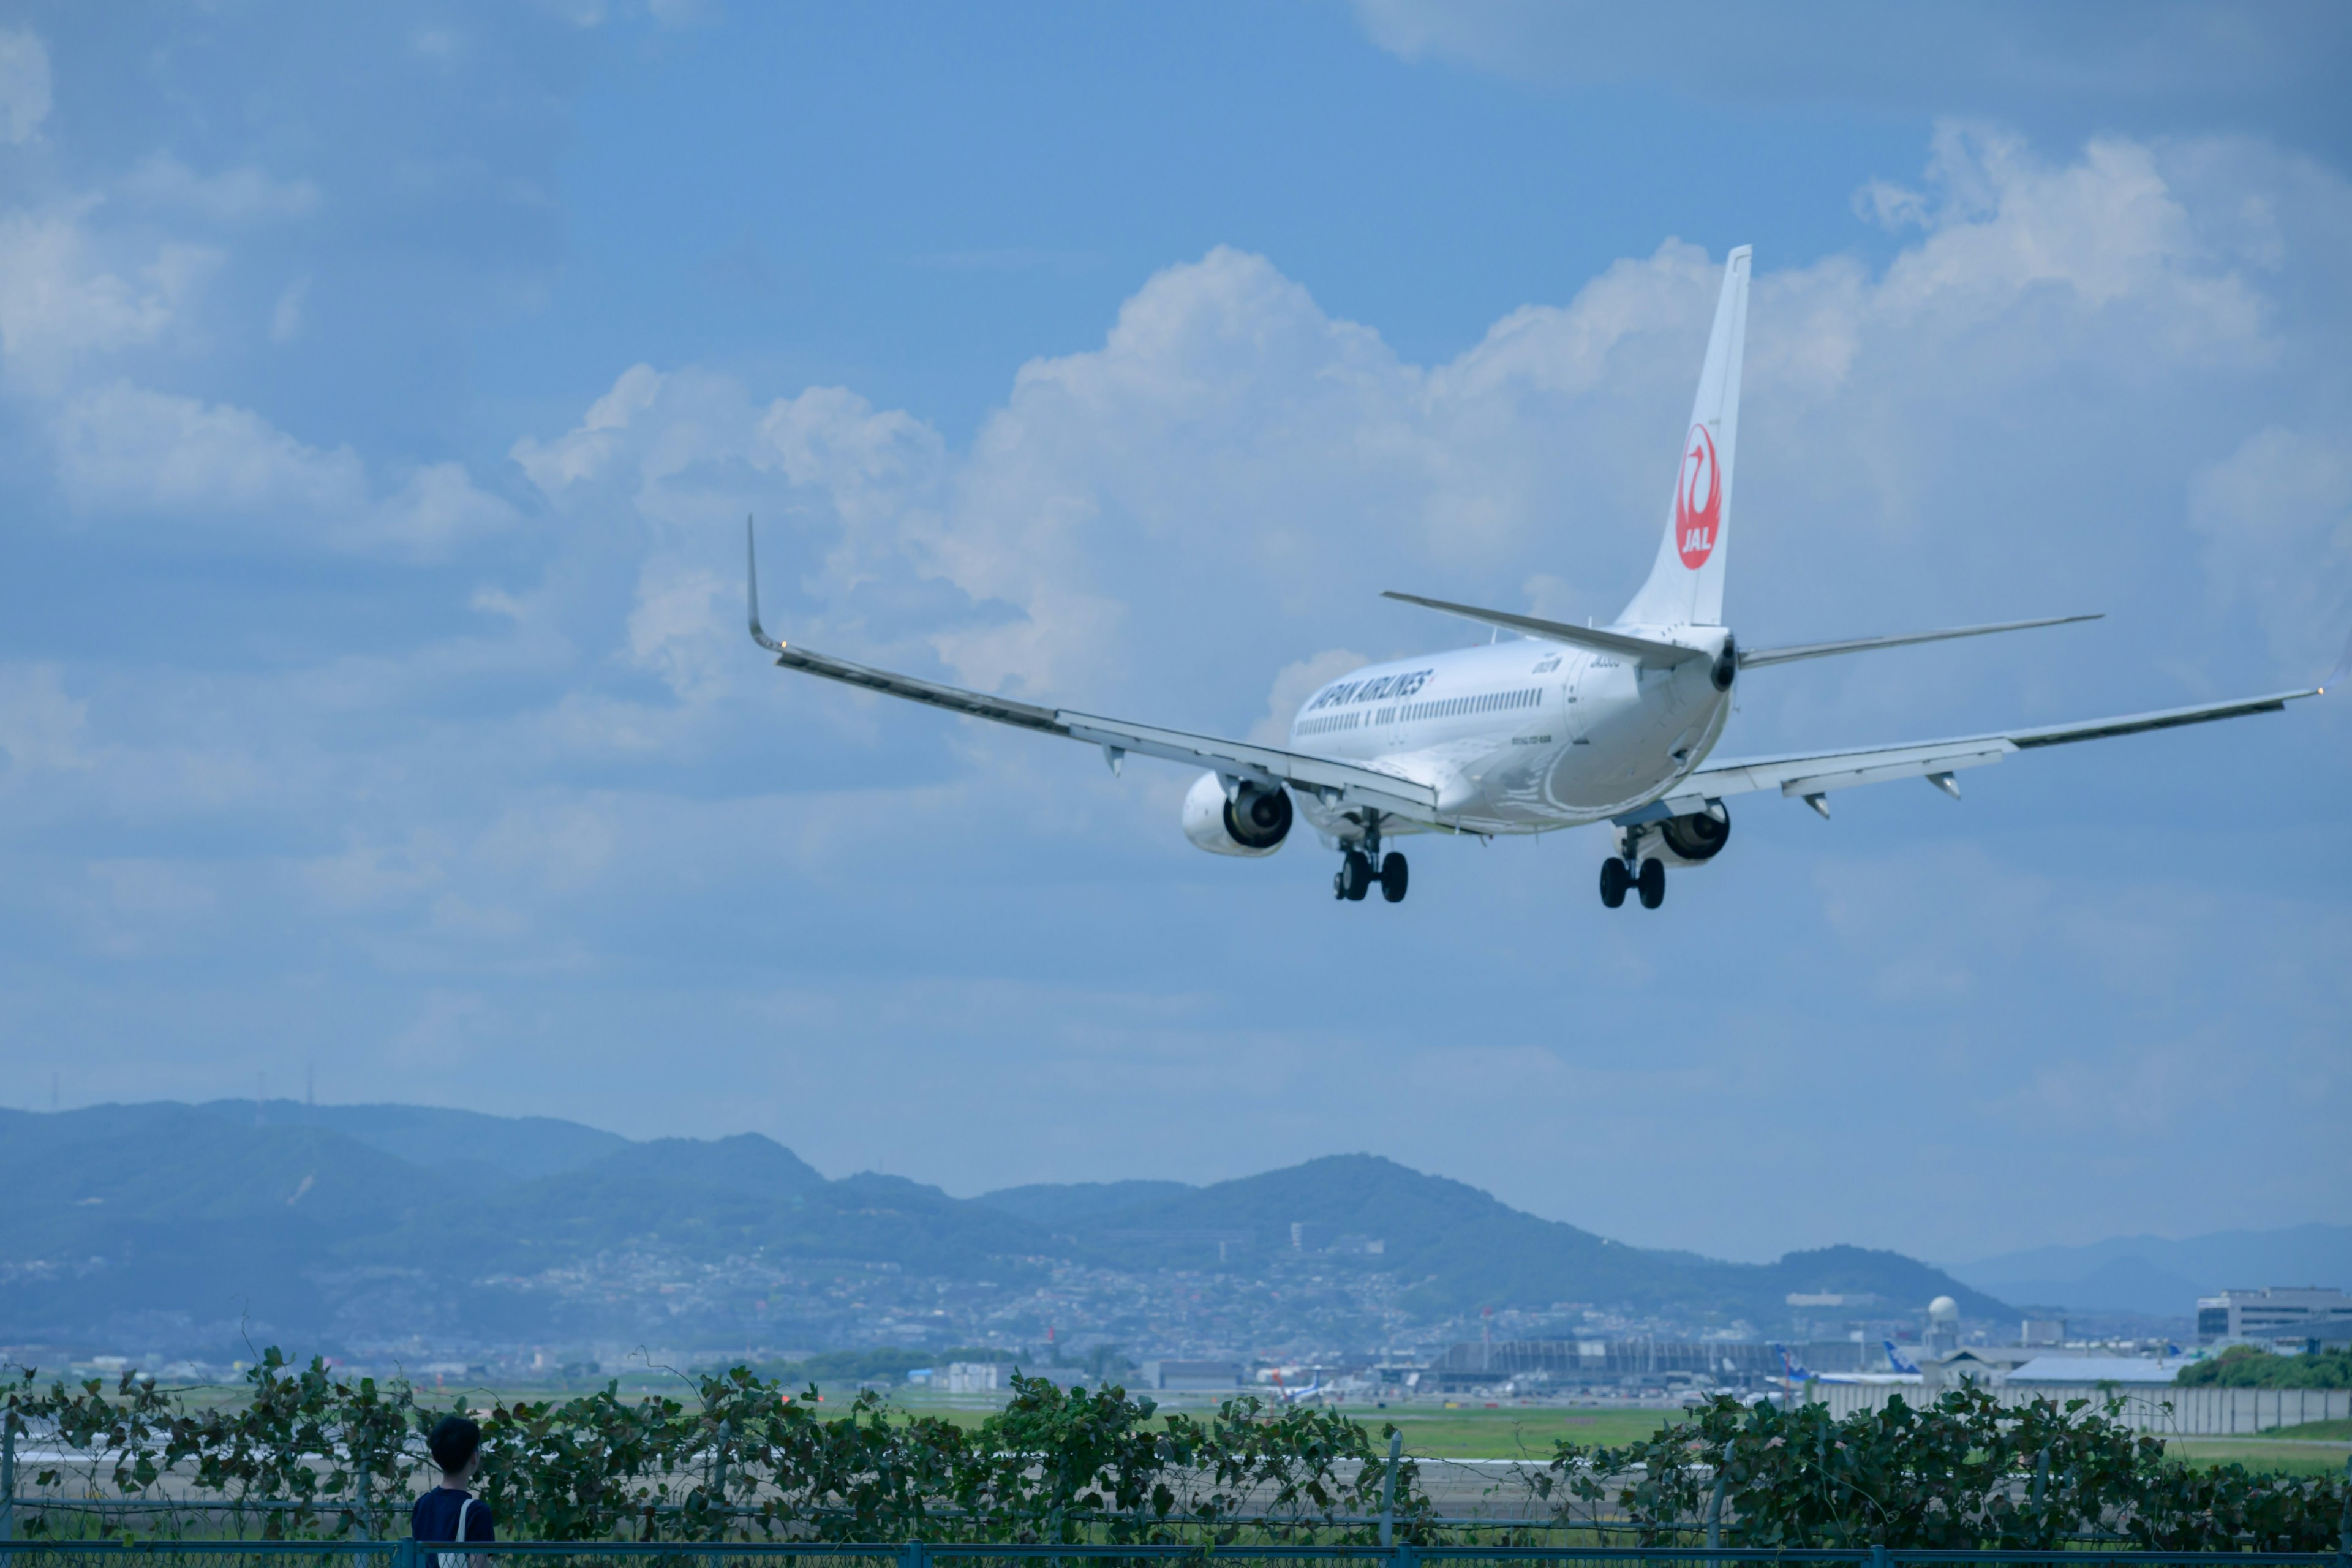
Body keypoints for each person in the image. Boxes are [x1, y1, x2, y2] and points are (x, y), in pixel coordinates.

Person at [412, 1415, 495, 1568]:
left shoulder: (422, 1504)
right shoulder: (477, 1512)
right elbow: (478, 1565)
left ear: (435, 1458)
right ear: (475, 1457)